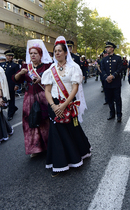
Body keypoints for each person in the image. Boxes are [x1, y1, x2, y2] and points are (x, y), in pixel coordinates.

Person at [42, 37, 91, 177]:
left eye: (59, 51)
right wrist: (53, 105)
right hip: (55, 104)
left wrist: (64, 105)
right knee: (57, 133)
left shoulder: (73, 68)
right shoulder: (51, 70)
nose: (57, 53)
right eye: (55, 51)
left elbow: (75, 88)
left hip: (68, 103)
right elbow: (47, 90)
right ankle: (59, 163)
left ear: (65, 53)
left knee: (72, 130)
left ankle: (77, 154)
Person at [13, 40, 51, 158]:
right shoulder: (26, 67)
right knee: (30, 122)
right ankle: (35, 147)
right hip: (29, 97)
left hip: (43, 96)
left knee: (45, 121)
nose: (33, 55)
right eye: (31, 53)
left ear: (40, 55)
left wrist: (42, 79)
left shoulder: (47, 66)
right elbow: (15, 79)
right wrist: (20, 73)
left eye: (35, 53)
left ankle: (48, 144)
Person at [101, 41, 123, 122]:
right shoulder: (104, 59)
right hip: (107, 82)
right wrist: (106, 77)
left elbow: (120, 68)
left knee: (117, 99)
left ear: (112, 49)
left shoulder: (118, 58)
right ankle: (112, 113)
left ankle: (119, 115)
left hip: (116, 82)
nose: (106, 49)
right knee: (109, 99)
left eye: (108, 47)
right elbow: (102, 69)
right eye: (106, 47)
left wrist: (113, 75)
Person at [0, 50, 20, 121]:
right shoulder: (1, 64)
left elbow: (18, 76)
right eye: (9, 56)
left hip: (11, 84)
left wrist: (17, 84)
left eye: (11, 56)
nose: (10, 57)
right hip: (3, 85)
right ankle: (13, 108)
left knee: (11, 99)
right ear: (6, 56)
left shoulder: (15, 65)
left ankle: (10, 114)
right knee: (5, 99)